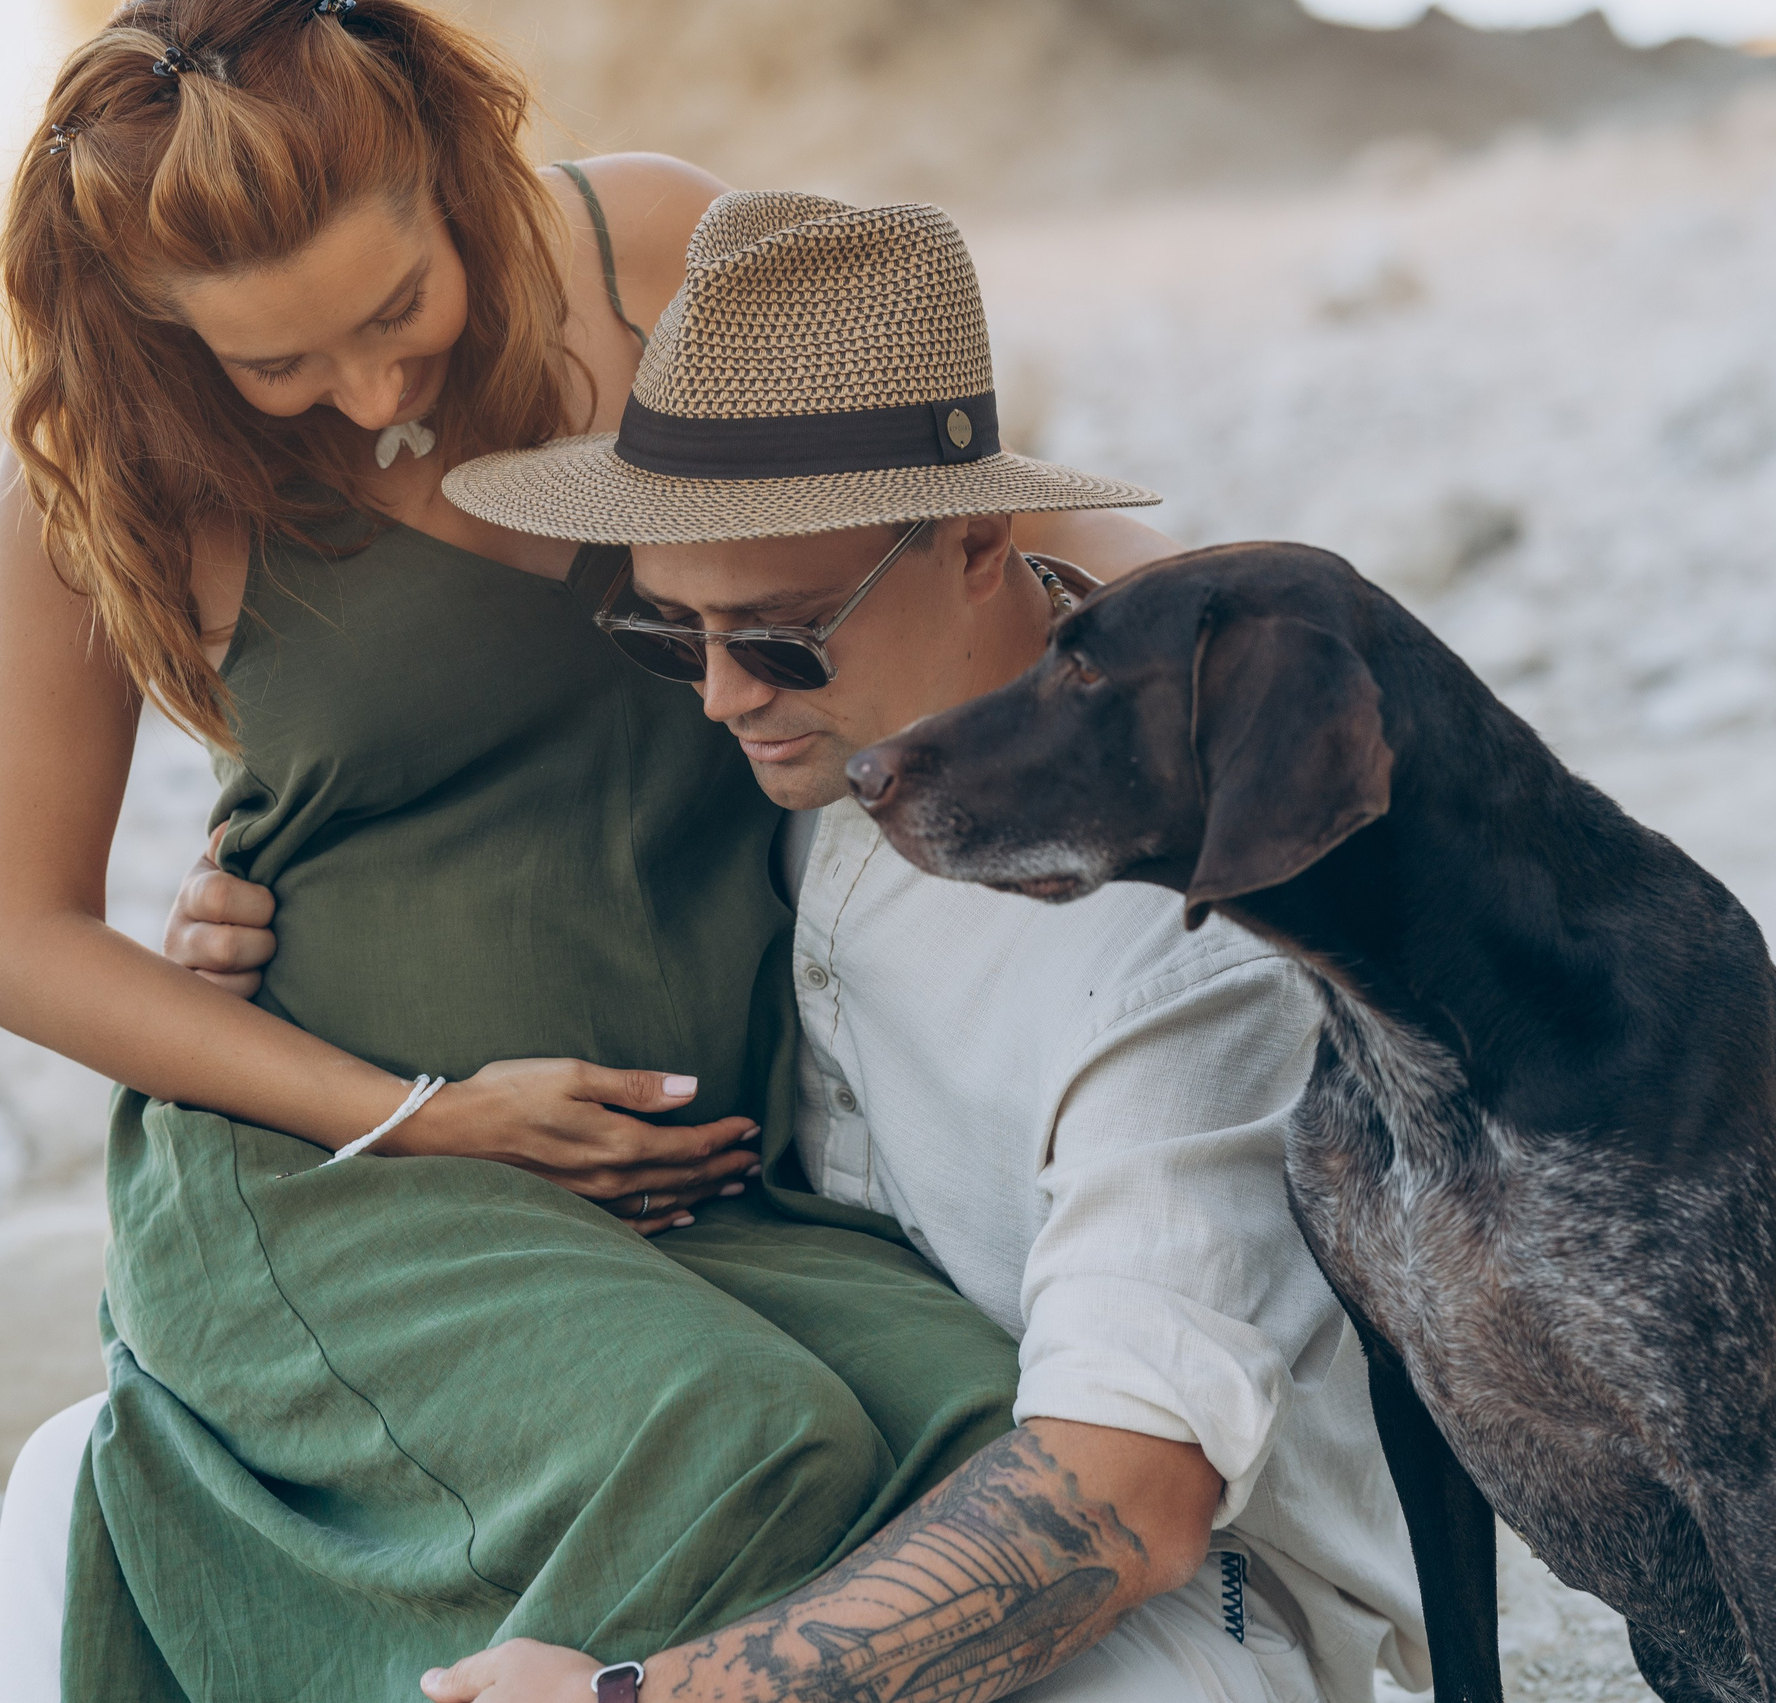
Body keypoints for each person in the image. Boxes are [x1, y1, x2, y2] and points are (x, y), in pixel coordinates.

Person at [0, 2, 1172, 1697]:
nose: (372, 387)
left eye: (397, 310)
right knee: (733, 1439)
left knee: (990, 1439)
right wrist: (433, 1117)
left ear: (452, 170)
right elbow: (10, 941)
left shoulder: (648, 254)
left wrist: (1255, 631)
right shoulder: (114, 474)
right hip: (345, 1183)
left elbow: (967, 510)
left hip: (694, 1182)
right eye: (278, 364)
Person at [165, 190, 1433, 1703]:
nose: (717, 698)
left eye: (774, 638)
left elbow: (1123, 1498)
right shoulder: (817, 736)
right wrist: (253, 905)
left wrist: (648, 1697)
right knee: (148, 1481)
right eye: (666, 637)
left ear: (977, 540)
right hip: (849, 1437)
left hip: (1171, 1596)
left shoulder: (1184, 933)